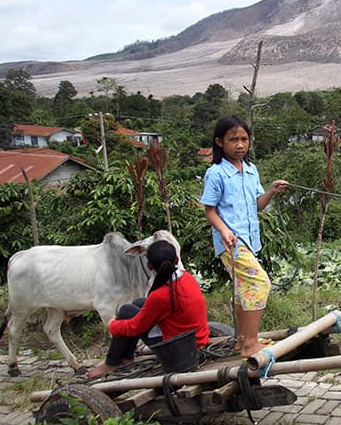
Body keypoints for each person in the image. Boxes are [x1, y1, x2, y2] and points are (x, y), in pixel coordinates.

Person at [200, 115, 289, 358]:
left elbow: (257, 205)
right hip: (231, 243)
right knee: (259, 283)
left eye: (244, 139)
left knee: (242, 290)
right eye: (233, 139)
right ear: (220, 142)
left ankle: (242, 340)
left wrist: (271, 190)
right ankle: (251, 343)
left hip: (250, 241)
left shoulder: (251, 171)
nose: (240, 144)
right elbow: (209, 210)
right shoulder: (216, 173)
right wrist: (224, 230)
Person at [86, 240, 209, 379]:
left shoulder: (160, 295)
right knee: (139, 303)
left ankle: (112, 362)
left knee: (127, 311)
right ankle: (126, 359)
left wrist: (113, 325)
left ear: (149, 266)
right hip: (196, 339)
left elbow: (135, 327)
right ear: (177, 260)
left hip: (178, 349)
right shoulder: (187, 278)